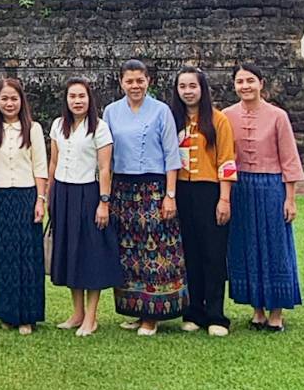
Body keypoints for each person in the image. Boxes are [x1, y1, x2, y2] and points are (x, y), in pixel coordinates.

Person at [103, 60, 185, 337]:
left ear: (148, 81)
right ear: (121, 82)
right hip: (123, 189)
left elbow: (172, 156)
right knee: (128, 251)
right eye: (130, 81)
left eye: (140, 80)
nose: (135, 86)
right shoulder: (111, 112)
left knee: (155, 248)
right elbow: (107, 156)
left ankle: (153, 314)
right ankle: (136, 309)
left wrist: (170, 195)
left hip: (154, 187)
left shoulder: (161, 111)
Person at [223, 62, 304, 331]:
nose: (245, 86)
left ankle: (276, 312)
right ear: (234, 86)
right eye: (240, 82)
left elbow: (289, 159)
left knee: (274, 246)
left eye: (250, 81)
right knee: (246, 245)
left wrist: (290, 198)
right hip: (240, 188)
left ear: (261, 83)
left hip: (271, 188)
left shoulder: (278, 116)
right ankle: (256, 309)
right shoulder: (226, 116)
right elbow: (223, 157)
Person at [47, 78, 121, 337]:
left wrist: (103, 202)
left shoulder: (99, 128)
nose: (77, 101)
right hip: (63, 192)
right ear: (66, 100)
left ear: (90, 99)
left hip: (89, 193)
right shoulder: (58, 125)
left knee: (90, 253)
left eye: (82, 96)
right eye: (72, 96)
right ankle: (76, 312)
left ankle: (91, 316)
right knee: (69, 251)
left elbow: (104, 168)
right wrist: (48, 196)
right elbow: (53, 163)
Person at [0, 76, 48, 335]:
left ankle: (27, 315)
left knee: (27, 256)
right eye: (4, 98)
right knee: (1, 256)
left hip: (26, 195)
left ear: (22, 101)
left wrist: (41, 200)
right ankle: (6, 312)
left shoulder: (33, 128)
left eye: (14, 98)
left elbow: (40, 167)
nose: (9, 103)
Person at [171, 67, 238, 338]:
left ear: (202, 89)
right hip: (182, 192)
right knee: (190, 254)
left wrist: (224, 199)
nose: (188, 91)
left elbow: (227, 160)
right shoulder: (172, 120)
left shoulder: (218, 120)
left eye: (193, 86)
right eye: (183, 86)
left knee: (213, 253)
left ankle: (216, 315)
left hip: (209, 191)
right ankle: (193, 311)